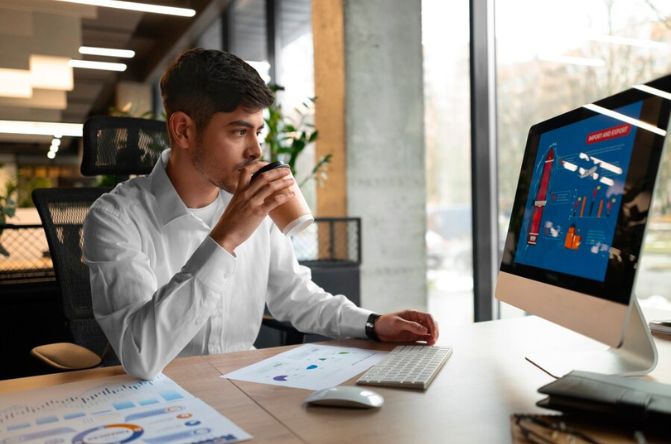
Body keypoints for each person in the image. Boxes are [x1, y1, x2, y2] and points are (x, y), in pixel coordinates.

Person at [83, 48, 438, 380]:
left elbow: (295, 294)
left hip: (244, 382)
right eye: (239, 131)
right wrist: (226, 238)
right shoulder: (115, 218)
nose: (256, 150)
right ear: (184, 130)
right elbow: (141, 356)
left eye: (258, 132)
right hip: (161, 392)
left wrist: (373, 324)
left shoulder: (256, 204)